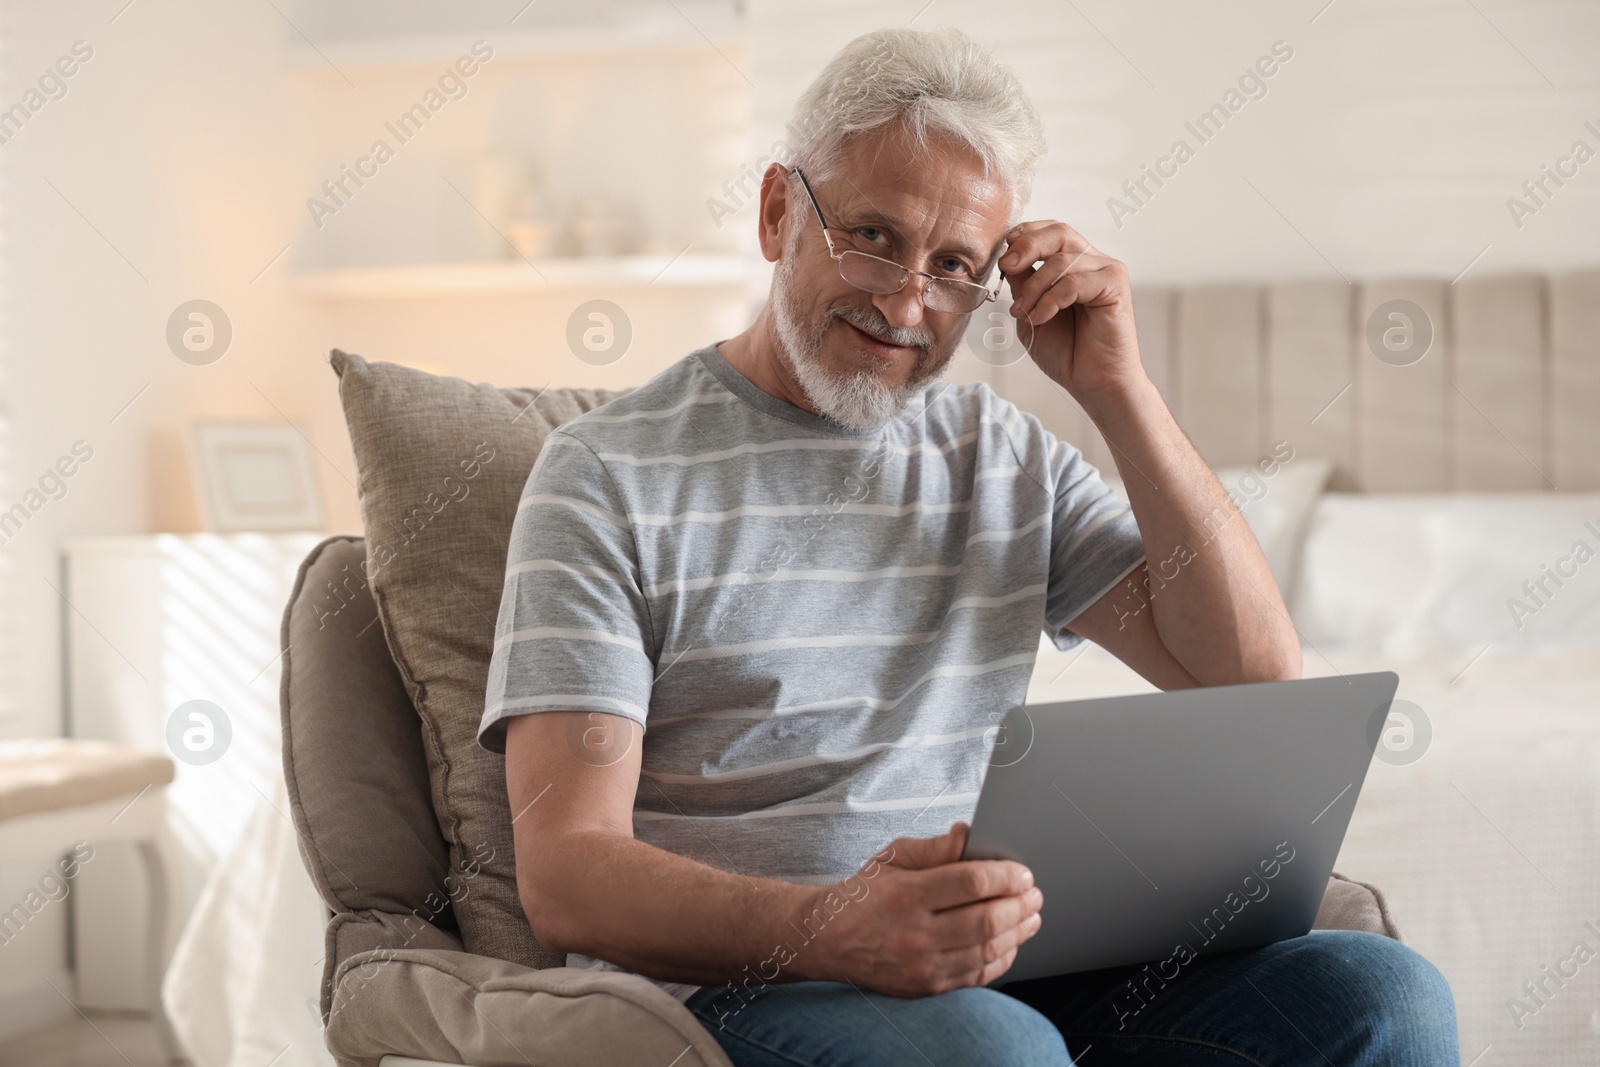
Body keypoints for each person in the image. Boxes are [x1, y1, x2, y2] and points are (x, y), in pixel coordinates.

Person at [479, 25, 1457, 1066]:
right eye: (871, 235)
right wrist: (837, 925)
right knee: (992, 1051)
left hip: (997, 969)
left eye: (953, 266)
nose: (906, 303)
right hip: (743, 989)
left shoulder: (1000, 456)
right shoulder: (606, 473)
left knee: (1379, 992)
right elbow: (567, 870)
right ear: (776, 212)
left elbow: (1249, 673)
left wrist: (1117, 391)